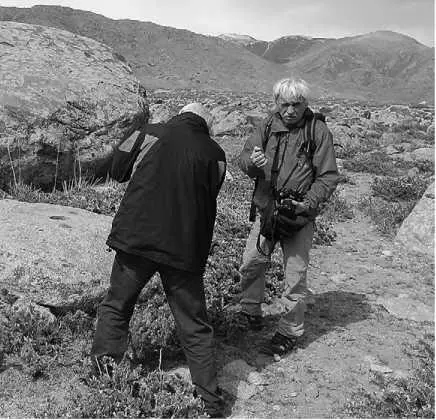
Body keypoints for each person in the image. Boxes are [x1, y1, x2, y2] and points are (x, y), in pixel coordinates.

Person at [91, 102, 228, 416]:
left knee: (117, 305)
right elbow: (213, 190)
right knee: (193, 323)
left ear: (180, 114)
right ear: (207, 125)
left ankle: (103, 378)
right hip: (184, 248)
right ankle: (209, 399)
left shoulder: (146, 133)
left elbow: (117, 169)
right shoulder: (217, 154)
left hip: (137, 239)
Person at [236, 77, 339, 356]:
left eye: (297, 104)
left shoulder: (316, 130)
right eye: (285, 104)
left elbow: (328, 176)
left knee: (294, 274)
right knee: (252, 262)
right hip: (267, 207)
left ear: (306, 103)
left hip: (298, 214)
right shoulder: (267, 125)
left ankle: (289, 330)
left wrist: (307, 203)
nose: (291, 110)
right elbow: (244, 158)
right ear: (276, 103)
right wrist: (253, 164)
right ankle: (250, 310)